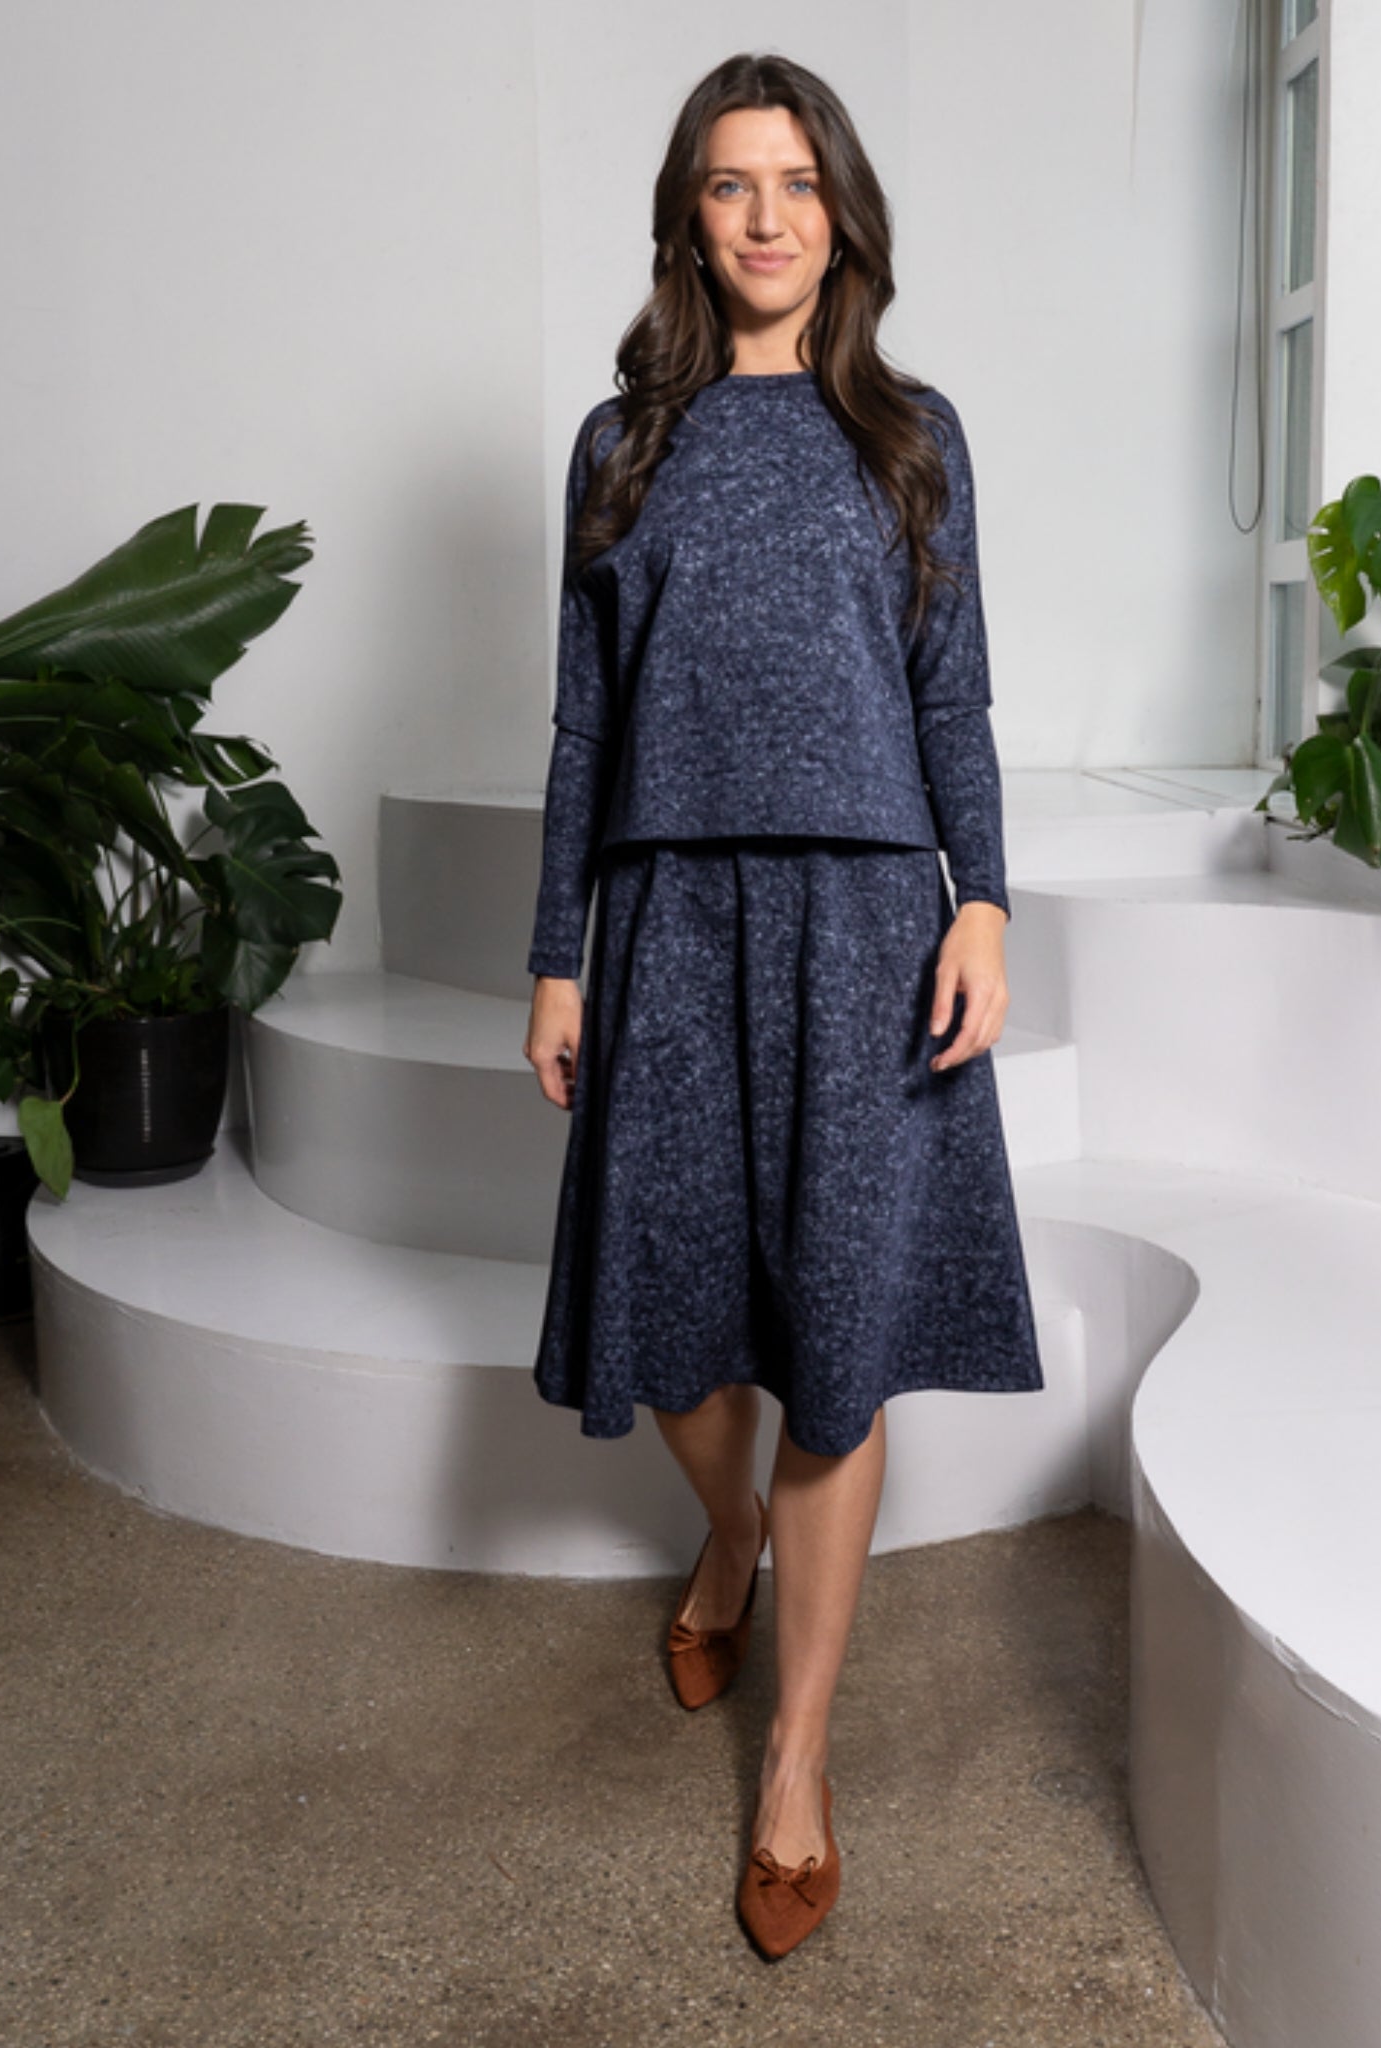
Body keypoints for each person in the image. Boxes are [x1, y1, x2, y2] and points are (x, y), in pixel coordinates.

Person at [521, 51, 1044, 1960]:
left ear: (844, 216)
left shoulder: (911, 431)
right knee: (676, 1334)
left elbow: (950, 688)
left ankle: (799, 1759)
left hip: (864, 920)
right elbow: (583, 719)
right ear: (690, 213)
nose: (767, 216)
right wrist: (558, 951)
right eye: (734, 183)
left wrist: (981, 899)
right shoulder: (620, 444)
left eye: (799, 183)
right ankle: (727, 1530)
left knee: (835, 1339)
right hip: (670, 913)